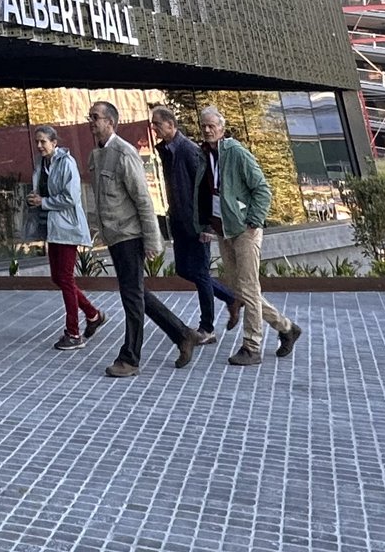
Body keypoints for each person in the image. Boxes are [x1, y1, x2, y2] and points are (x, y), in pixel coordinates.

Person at [86, 103, 200, 375]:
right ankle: (183, 334)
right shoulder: (97, 155)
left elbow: (143, 200)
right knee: (136, 293)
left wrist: (152, 241)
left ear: (110, 122)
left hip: (130, 236)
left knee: (132, 298)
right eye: (89, 117)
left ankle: (130, 359)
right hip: (113, 236)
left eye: (95, 117)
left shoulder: (124, 153)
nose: (91, 121)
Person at [196, 105, 303, 367]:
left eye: (212, 125)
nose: (208, 130)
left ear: (222, 128)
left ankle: (252, 345)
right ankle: (286, 327)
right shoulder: (204, 155)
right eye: (204, 126)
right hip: (224, 229)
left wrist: (254, 220)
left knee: (249, 287)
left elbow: (262, 189)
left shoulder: (236, 153)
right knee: (240, 288)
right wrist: (206, 225)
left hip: (244, 229)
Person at [150, 105, 237, 334]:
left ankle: (206, 328)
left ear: (171, 124)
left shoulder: (188, 150)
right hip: (179, 222)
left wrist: (207, 225)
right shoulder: (167, 150)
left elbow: (206, 187)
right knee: (184, 269)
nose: (154, 128)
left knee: (200, 273)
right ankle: (231, 298)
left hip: (197, 224)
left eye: (157, 123)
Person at [29, 125, 102, 350]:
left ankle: (73, 333)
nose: (39, 146)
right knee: (58, 278)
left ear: (54, 142)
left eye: (43, 141)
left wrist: (44, 202)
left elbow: (71, 197)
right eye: (37, 142)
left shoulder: (66, 163)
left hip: (67, 228)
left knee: (66, 279)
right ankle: (92, 314)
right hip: (52, 228)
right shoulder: (42, 165)